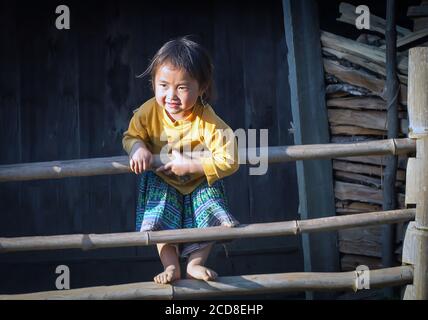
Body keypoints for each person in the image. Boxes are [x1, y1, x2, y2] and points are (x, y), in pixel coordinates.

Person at [122, 36, 240, 284]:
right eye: (163, 85)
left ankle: (195, 264)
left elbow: (230, 158)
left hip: (199, 180)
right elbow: (131, 136)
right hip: (163, 179)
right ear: (153, 83)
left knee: (209, 214)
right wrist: (138, 149)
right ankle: (171, 266)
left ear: (202, 88)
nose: (171, 95)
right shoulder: (148, 112)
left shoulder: (207, 119)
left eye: (182, 87)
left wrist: (192, 165)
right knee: (161, 219)